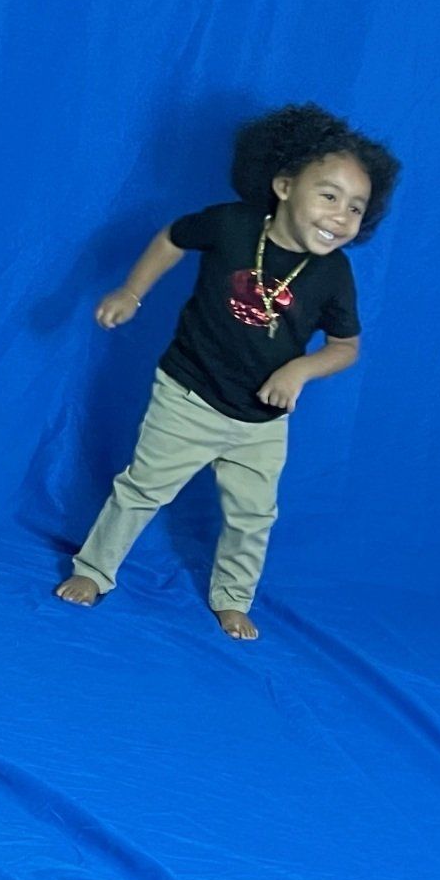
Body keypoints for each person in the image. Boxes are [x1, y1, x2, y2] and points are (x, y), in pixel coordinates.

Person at [54, 104, 400, 640]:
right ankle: (92, 571)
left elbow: (345, 346)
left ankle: (233, 598)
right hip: (188, 395)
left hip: (260, 423)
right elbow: (172, 237)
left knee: (253, 517)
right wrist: (131, 292)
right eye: (328, 196)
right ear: (284, 184)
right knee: (142, 488)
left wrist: (302, 370)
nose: (340, 216)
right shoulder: (231, 225)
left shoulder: (334, 273)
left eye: (356, 208)